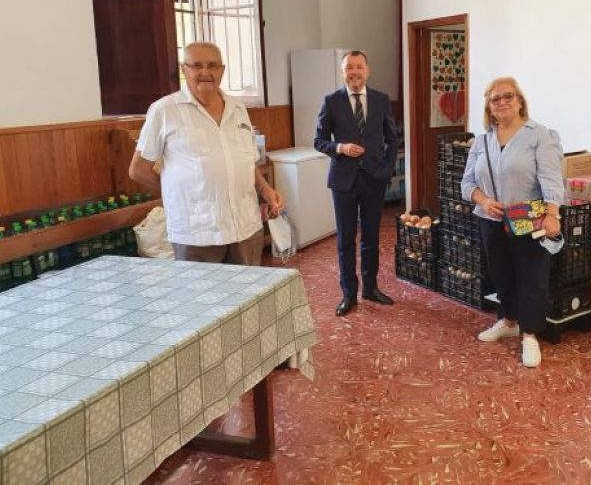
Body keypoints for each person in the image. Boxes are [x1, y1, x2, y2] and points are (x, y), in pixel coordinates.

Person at [129, 41, 284, 265]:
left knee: (249, 296)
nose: (205, 72)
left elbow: (246, 161)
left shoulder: (238, 108)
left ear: (222, 70)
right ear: (184, 70)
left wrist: (266, 189)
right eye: (197, 65)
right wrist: (178, 196)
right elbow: (138, 170)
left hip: (245, 227)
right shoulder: (165, 110)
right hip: (197, 233)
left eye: (212, 66)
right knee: (206, 298)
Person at [461, 77, 565, 367]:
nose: (503, 102)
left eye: (508, 96)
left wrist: (553, 214)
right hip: (491, 219)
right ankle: (508, 321)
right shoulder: (482, 141)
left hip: (528, 218)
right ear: (489, 108)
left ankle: (530, 334)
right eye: (496, 99)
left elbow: (551, 178)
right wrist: (483, 200)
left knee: (531, 276)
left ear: (520, 101)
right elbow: (467, 182)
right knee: (501, 273)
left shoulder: (539, 136)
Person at [314, 50, 399, 316]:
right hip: (343, 181)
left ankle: (371, 288)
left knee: (371, 238)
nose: (354, 72)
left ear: (367, 70)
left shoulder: (381, 100)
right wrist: (339, 147)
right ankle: (349, 294)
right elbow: (318, 141)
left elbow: (393, 138)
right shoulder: (331, 101)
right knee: (345, 240)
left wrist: (386, 170)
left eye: (359, 67)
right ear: (343, 73)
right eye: (349, 68)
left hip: (374, 180)